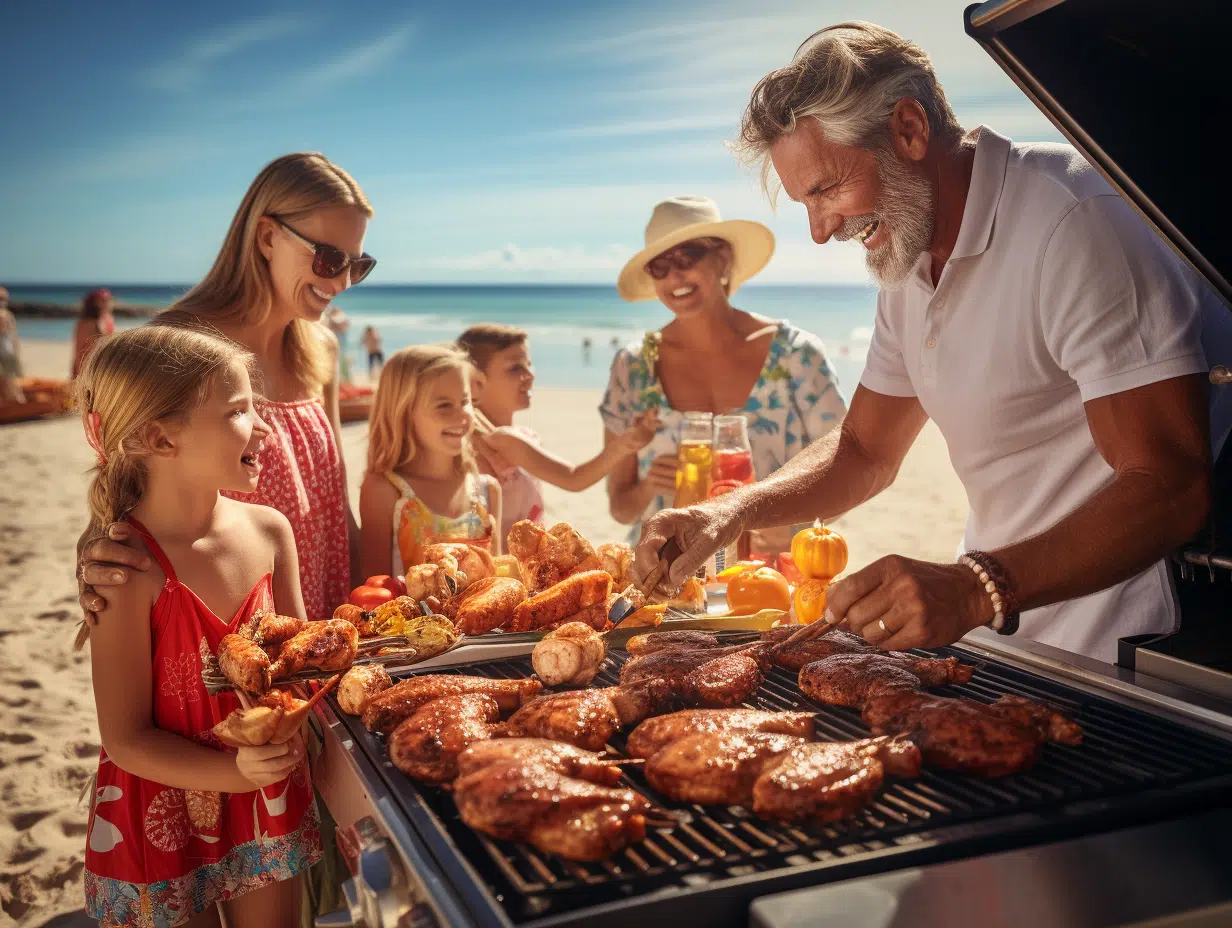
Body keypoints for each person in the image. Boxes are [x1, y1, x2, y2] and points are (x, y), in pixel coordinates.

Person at [633, 23, 1232, 663]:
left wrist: (976, 588)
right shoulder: (908, 255)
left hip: (1130, 646)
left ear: (909, 130)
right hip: (1007, 634)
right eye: (804, 201)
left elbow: (1170, 484)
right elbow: (865, 449)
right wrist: (731, 512)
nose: (819, 230)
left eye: (826, 189)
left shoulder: (1076, 222)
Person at [76, 325, 318, 928]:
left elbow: (303, 667)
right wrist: (231, 772)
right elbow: (126, 739)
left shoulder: (270, 532)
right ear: (159, 437)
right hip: (162, 812)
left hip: (265, 797)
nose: (264, 426)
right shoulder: (127, 567)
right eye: (239, 411)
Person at [76, 153, 376, 623]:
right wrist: (95, 553)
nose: (341, 281)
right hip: (220, 627)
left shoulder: (321, 347)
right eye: (329, 258)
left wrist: (367, 606)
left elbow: (336, 505)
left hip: (324, 617)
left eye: (357, 265)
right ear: (267, 236)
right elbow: (116, 482)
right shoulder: (178, 347)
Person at [602, 195, 846, 547]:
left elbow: (845, 474)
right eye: (659, 266)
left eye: (687, 257)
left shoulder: (797, 356)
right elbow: (621, 509)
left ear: (723, 259)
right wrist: (648, 487)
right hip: (667, 578)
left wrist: (779, 525)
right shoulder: (634, 367)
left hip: (769, 580)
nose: (674, 275)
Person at [457, 323, 658, 539]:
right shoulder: (500, 441)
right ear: (474, 381)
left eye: (529, 365)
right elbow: (574, 479)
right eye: (516, 368)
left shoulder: (524, 437)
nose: (530, 375)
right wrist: (623, 446)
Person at [359, 345, 502, 577]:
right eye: (444, 405)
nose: (462, 415)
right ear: (404, 412)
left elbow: (500, 580)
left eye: (465, 401)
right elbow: (373, 592)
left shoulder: (488, 490)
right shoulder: (386, 492)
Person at [72, 288, 116, 378]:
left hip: (103, 363)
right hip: (87, 364)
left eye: (109, 299)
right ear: (94, 303)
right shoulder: (86, 323)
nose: (108, 302)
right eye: (103, 300)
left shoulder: (109, 318)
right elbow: (79, 349)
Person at [0, 286, 24, 403]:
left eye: (4, 299)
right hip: (8, 351)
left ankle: (18, 402)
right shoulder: (8, 315)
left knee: (9, 380)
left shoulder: (5, 315)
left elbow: (13, 336)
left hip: (6, 352)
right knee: (9, 381)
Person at [325, 305, 352, 383]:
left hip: (339, 345)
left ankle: (344, 380)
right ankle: (343, 380)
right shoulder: (334, 320)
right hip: (337, 345)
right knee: (339, 362)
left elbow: (343, 325)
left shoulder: (338, 319)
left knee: (341, 362)